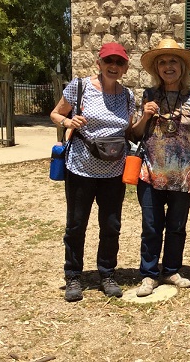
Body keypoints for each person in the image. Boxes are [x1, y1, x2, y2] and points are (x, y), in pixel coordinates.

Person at [50, 42, 135, 302]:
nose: (113, 66)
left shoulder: (127, 96)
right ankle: (73, 276)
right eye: (108, 61)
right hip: (81, 169)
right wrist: (67, 121)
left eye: (119, 62)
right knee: (76, 225)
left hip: (113, 171)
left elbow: (129, 131)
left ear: (125, 67)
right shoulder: (79, 88)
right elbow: (55, 113)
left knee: (111, 226)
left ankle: (107, 273)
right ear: (98, 63)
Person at [131, 39, 190, 297]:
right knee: (151, 226)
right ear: (156, 69)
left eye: (173, 61)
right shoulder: (148, 96)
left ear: (182, 67)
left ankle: (171, 269)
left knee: (176, 226)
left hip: (184, 175)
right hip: (150, 173)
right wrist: (145, 116)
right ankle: (149, 275)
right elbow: (135, 134)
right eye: (162, 62)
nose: (168, 66)